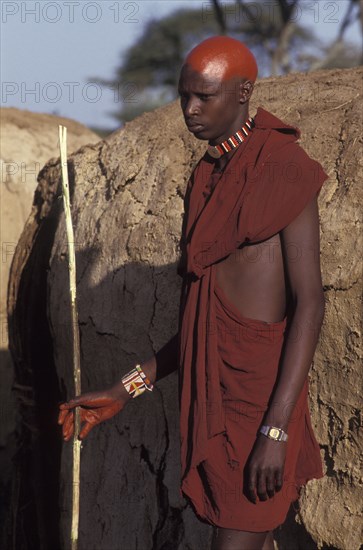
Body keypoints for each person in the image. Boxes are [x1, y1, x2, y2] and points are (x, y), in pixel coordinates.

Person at [58, 36, 328, 550]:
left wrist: (276, 431)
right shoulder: (207, 175)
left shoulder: (284, 167)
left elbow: (310, 302)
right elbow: (203, 329)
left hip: (259, 408)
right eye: (184, 96)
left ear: (245, 91)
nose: (189, 109)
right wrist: (124, 391)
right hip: (211, 405)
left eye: (204, 97)